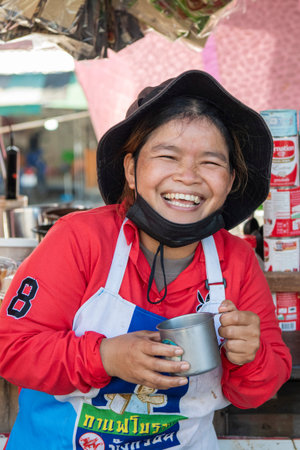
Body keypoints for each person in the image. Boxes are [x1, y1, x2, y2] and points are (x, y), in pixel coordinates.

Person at [0, 70, 292, 450]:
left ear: (231, 180)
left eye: (210, 163)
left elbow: (256, 392)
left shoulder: (236, 261)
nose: (188, 177)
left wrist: (250, 356)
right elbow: (11, 349)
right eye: (167, 156)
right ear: (131, 170)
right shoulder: (79, 240)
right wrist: (104, 356)